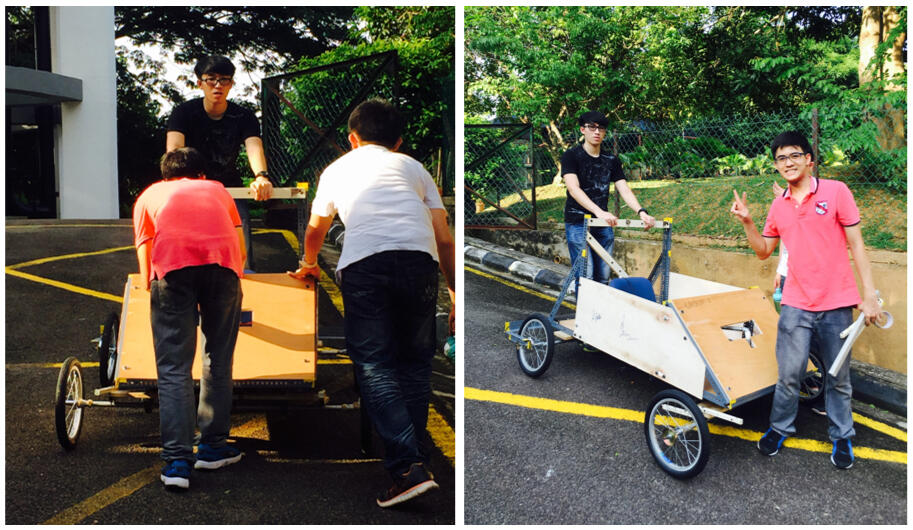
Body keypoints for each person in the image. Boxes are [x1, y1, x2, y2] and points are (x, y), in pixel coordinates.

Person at [288, 98, 455, 508]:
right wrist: (455, 297)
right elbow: (445, 238)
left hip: (365, 265)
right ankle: (417, 463)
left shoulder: (337, 169)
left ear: (352, 138)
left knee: (375, 364)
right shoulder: (414, 168)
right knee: (414, 365)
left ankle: (407, 468)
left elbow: (316, 228)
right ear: (397, 142)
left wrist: (309, 263)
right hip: (420, 263)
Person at [729, 130, 882, 469]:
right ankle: (779, 427)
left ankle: (842, 435)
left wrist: (869, 295)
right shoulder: (778, 205)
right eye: (781, 158)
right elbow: (763, 251)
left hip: (837, 302)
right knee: (790, 373)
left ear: (809, 159)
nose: (788, 162)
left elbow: (857, 245)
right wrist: (748, 222)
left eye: (795, 155)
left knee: (838, 375)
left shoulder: (836, 191)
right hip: (796, 302)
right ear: (776, 165)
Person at [133, 147, 246, 490]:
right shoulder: (218, 190)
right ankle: (213, 448)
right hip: (223, 269)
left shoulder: (149, 195)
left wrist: (150, 285)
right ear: (202, 174)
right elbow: (240, 246)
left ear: (164, 176)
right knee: (218, 359)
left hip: (173, 270)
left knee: (174, 367)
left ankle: (177, 463)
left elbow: (145, 249)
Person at [166, 55, 273, 271]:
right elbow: (174, 150)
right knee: (188, 247)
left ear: (231, 84)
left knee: (241, 249)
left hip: (229, 189)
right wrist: (179, 182)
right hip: (192, 188)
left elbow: (254, 147)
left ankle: (242, 279)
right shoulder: (183, 113)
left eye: (224, 79)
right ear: (200, 83)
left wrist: (261, 176)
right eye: (211, 79)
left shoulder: (243, 116)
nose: (218, 85)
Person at [561, 110, 656, 292]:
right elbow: (573, 189)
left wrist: (641, 212)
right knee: (586, 276)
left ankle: (599, 310)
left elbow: (624, 189)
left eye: (601, 128)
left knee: (603, 276)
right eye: (592, 127)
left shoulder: (611, 160)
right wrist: (599, 212)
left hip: (602, 223)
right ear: (582, 130)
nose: (597, 132)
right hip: (578, 222)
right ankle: (585, 310)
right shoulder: (571, 156)